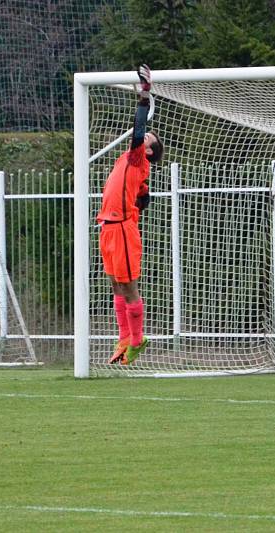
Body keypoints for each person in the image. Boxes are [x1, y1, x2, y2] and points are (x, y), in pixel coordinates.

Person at [97, 64, 164, 366]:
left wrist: (144, 95)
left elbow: (138, 129)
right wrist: (140, 198)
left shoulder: (138, 159)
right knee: (113, 283)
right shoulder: (132, 161)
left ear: (148, 151)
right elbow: (143, 196)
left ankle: (138, 339)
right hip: (109, 227)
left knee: (128, 285)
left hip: (122, 229)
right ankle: (124, 337)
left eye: (150, 139)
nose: (146, 136)